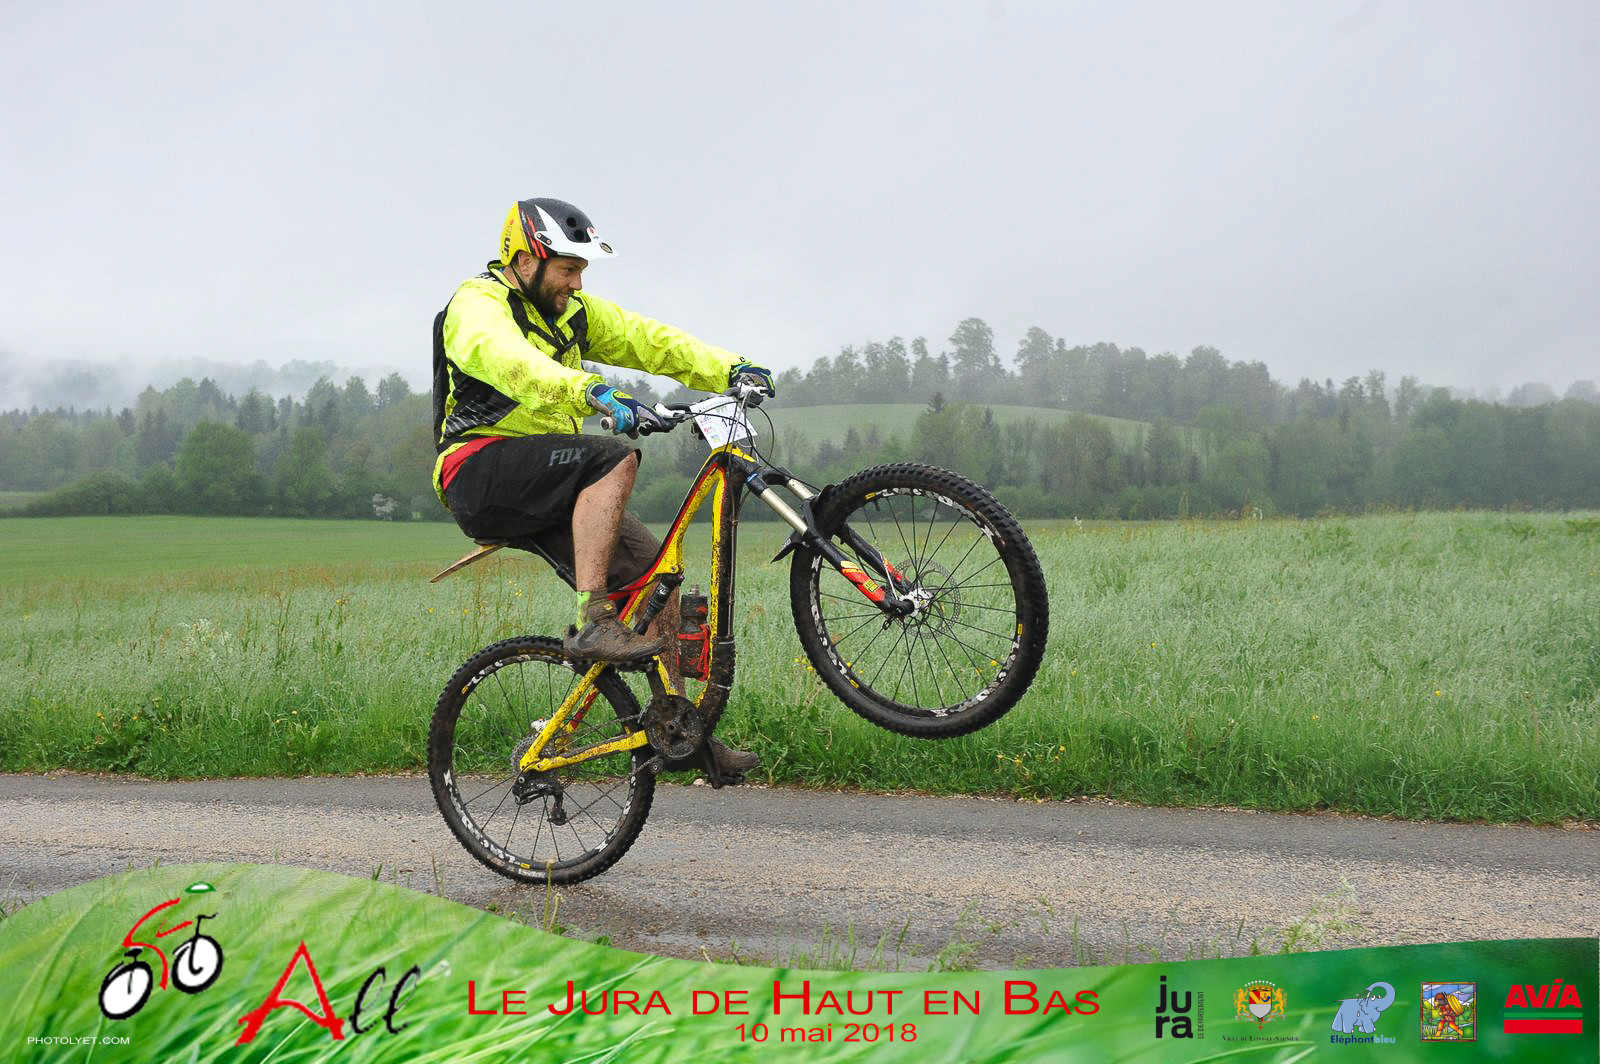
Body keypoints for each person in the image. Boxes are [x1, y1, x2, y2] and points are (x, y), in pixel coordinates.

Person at [431, 196, 773, 775]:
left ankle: (679, 730)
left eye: (582, 270)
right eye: (567, 269)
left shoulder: (571, 312)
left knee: (658, 577)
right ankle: (595, 620)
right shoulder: (477, 306)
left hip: (547, 483)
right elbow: (513, 363)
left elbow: (647, 339)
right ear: (524, 260)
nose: (577, 282)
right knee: (612, 457)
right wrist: (592, 391)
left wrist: (729, 368)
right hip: (477, 468)